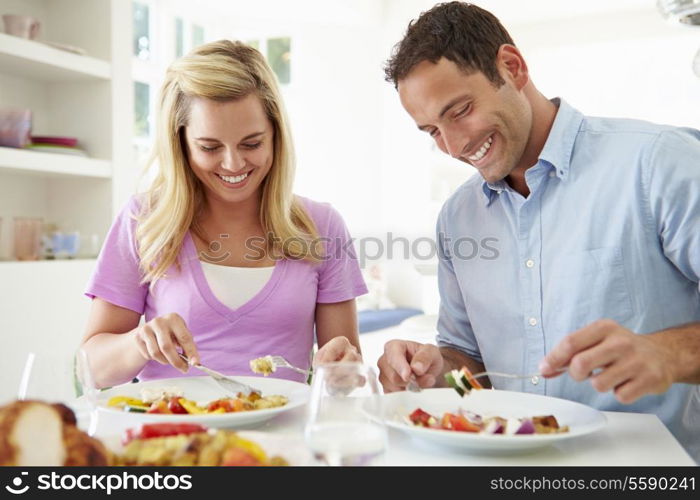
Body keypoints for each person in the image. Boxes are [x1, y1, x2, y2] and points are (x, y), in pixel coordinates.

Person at [377, 2, 700, 461]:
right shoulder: (457, 217)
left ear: (512, 67)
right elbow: (469, 365)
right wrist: (434, 370)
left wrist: (671, 354)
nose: (453, 145)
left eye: (460, 110)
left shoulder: (658, 164)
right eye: (431, 130)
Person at [81, 40, 367, 388]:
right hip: (172, 437)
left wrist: (342, 372)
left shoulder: (322, 226)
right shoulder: (144, 219)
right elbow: (92, 370)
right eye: (210, 147)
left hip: (284, 439)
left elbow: (345, 373)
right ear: (181, 143)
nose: (233, 164)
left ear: (276, 135)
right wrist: (139, 342)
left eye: (252, 143)